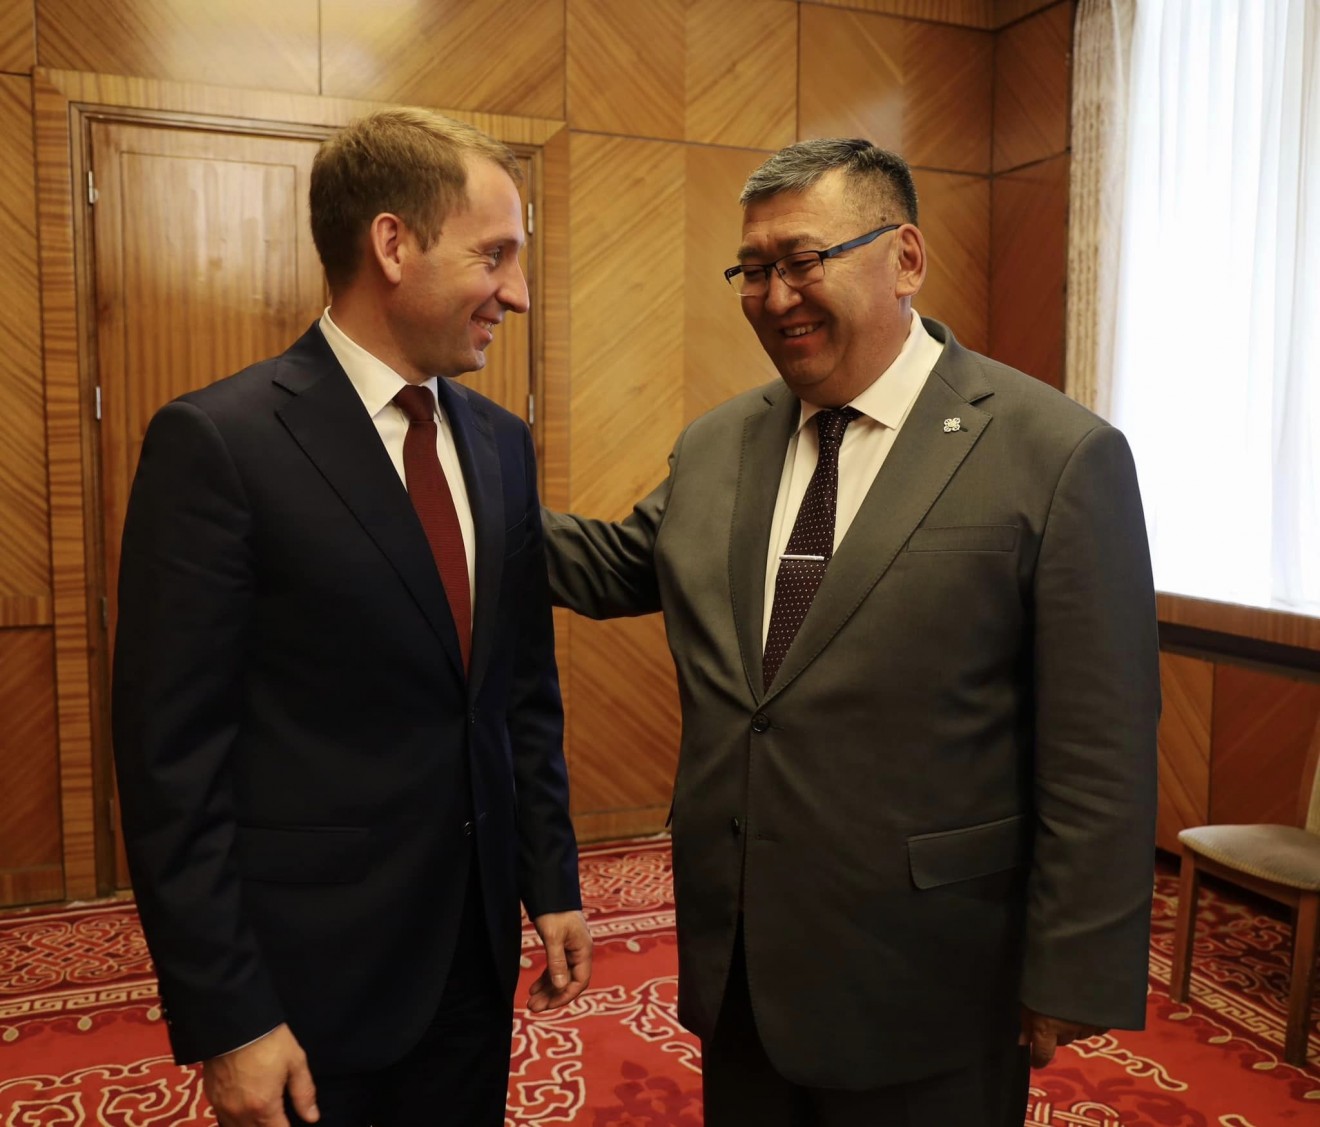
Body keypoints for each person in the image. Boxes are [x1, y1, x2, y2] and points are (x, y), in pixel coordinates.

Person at [542, 138, 1159, 1126]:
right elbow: (621, 563)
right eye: (753, 269)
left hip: (932, 976)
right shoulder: (720, 442)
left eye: (802, 260)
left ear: (905, 258)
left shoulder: (1055, 453)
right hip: (742, 960)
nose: (774, 295)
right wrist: (457, 484)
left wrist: (1073, 965)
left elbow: (1102, 744)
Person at [112, 107, 591, 1127]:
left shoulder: (500, 442)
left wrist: (549, 876)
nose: (518, 292)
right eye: (495, 255)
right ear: (393, 244)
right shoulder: (220, 444)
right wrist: (230, 1015)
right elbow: (171, 765)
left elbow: (520, 689)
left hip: (472, 957)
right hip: (312, 981)